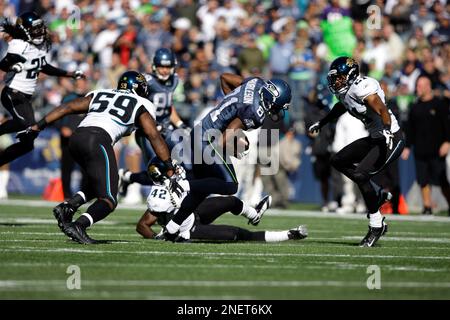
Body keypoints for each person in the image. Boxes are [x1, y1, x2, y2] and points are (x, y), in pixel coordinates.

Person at [21, 71, 181, 244]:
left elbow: (67, 107)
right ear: (139, 88)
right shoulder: (142, 103)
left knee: (100, 182)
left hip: (77, 138)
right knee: (109, 199)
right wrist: (169, 165)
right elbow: (154, 136)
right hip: (98, 140)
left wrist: (38, 126)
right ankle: (80, 225)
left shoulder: (101, 92)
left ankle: (68, 207)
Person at [160, 73, 292, 241]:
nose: (278, 110)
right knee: (231, 186)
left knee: (201, 191)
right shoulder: (255, 113)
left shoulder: (256, 83)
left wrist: (228, 104)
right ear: (270, 99)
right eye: (278, 106)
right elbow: (230, 129)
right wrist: (221, 148)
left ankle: (171, 229)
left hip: (200, 131)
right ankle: (181, 184)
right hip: (207, 139)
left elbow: (224, 77)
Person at [309, 56, 404, 247]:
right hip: (376, 137)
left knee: (360, 174)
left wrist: (386, 130)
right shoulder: (345, 92)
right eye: (334, 78)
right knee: (338, 160)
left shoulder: (362, 87)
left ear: (351, 75)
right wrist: (323, 122)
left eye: (339, 77)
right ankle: (377, 193)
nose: (336, 82)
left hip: (391, 138)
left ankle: (376, 224)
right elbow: (341, 106)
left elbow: (382, 109)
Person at [136, 158, 308, 242]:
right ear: (162, 174)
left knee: (230, 201)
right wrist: (156, 238)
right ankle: (289, 234)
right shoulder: (159, 196)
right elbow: (142, 225)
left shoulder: (175, 182)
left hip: (194, 212)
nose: (176, 169)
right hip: (190, 230)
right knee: (238, 234)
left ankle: (254, 214)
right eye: (171, 169)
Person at [0, 12, 84, 167]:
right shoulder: (19, 44)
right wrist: (12, 65)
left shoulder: (42, 45)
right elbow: (3, 64)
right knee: (24, 124)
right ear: (25, 30)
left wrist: (69, 74)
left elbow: (44, 66)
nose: (39, 32)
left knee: (28, 143)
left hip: (25, 98)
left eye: (40, 28)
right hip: (12, 93)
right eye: (35, 29)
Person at [118, 48, 189, 195]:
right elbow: (134, 104)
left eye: (167, 67)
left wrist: (181, 125)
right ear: (154, 66)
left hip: (166, 129)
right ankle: (159, 198)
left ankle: (128, 177)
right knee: (156, 170)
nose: (164, 70)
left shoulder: (175, 80)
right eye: (161, 66)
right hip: (147, 131)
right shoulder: (146, 81)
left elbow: (168, 107)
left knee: (179, 165)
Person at [401, 76, 450, 215]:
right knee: (423, 180)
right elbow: (410, 129)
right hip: (420, 150)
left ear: (428, 86)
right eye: (417, 85)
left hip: (437, 150)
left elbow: (447, 125)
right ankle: (427, 207)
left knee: (442, 180)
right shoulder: (415, 107)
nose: (418, 88)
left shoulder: (439, 104)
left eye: (421, 86)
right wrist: (407, 147)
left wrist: (447, 142)